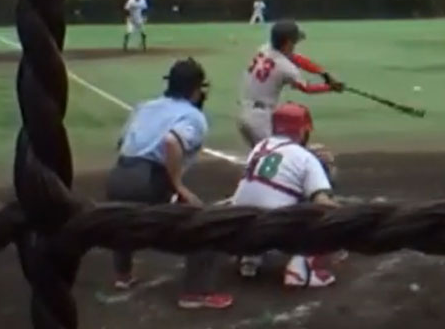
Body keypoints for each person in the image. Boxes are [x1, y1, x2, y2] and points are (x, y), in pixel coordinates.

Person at [105, 58, 234, 310]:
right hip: (147, 180)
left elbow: (122, 143)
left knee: (123, 219)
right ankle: (195, 293)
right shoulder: (193, 116)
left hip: (118, 175)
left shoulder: (144, 106)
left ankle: (123, 275)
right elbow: (172, 142)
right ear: (197, 89)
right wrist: (177, 185)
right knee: (203, 223)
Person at [231, 102, 341, 287]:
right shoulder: (307, 159)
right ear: (302, 130)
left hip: (238, 231)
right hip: (275, 232)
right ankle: (300, 270)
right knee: (323, 212)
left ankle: (251, 259)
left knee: (264, 192)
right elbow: (322, 201)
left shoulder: (259, 147)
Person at [237, 19, 344, 148]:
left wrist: (323, 73)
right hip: (260, 119)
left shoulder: (264, 49)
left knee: (261, 157)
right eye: (294, 41)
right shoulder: (285, 67)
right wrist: (330, 88)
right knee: (277, 154)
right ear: (287, 43)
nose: (295, 44)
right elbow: (306, 88)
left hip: (244, 113)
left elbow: (296, 58)